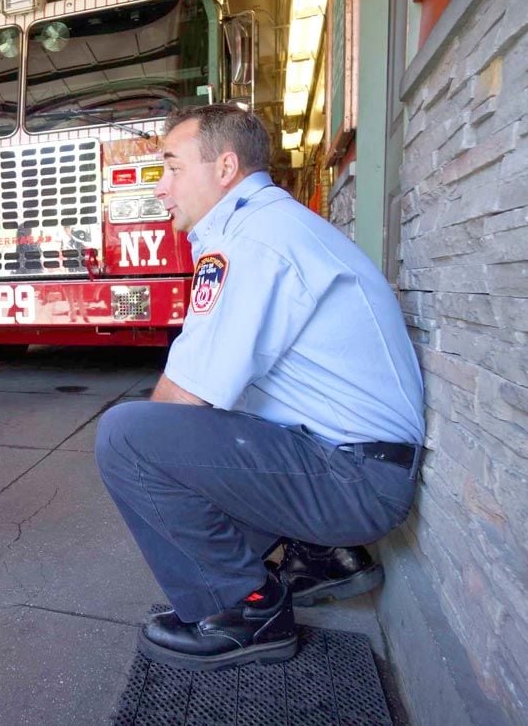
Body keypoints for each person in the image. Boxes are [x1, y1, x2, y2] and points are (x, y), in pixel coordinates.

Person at [95, 105, 424, 671]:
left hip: (355, 481)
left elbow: (185, 398)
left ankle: (247, 612)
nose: (161, 189)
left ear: (224, 167)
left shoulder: (252, 242)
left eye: (172, 168)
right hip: (355, 463)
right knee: (207, 454)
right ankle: (322, 554)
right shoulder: (268, 224)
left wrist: (159, 487)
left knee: (128, 439)